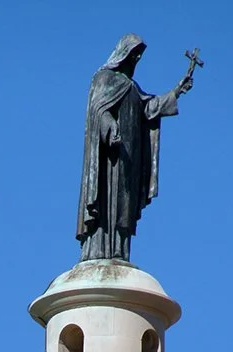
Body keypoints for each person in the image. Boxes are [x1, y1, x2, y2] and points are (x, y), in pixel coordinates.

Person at [76, 34, 193, 262]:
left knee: (124, 205)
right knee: (106, 198)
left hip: (130, 155)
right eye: (134, 53)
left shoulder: (132, 87)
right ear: (123, 53)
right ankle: (98, 249)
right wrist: (108, 126)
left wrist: (177, 90)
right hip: (109, 154)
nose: (137, 58)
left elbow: (150, 108)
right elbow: (98, 109)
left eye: (139, 54)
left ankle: (120, 249)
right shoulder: (104, 78)